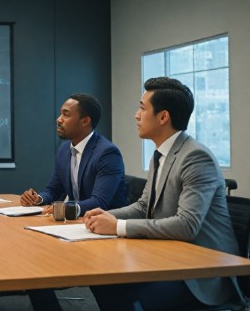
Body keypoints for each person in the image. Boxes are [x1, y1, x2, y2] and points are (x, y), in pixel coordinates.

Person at [84, 77, 243, 309]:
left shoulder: (196, 157)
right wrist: (105, 216)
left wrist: (117, 227)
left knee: (129, 287)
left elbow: (187, 225)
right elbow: (143, 206)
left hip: (202, 272)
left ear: (163, 117)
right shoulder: (161, 154)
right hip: (168, 257)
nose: (136, 115)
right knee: (103, 279)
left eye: (142, 108)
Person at [20, 93, 127, 215]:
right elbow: (53, 190)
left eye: (66, 114)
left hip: (105, 225)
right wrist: (38, 199)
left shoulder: (107, 153)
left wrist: (67, 207)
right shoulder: (64, 150)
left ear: (85, 121)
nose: (59, 119)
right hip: (77, 222)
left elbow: (100, 202)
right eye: (61, 113)